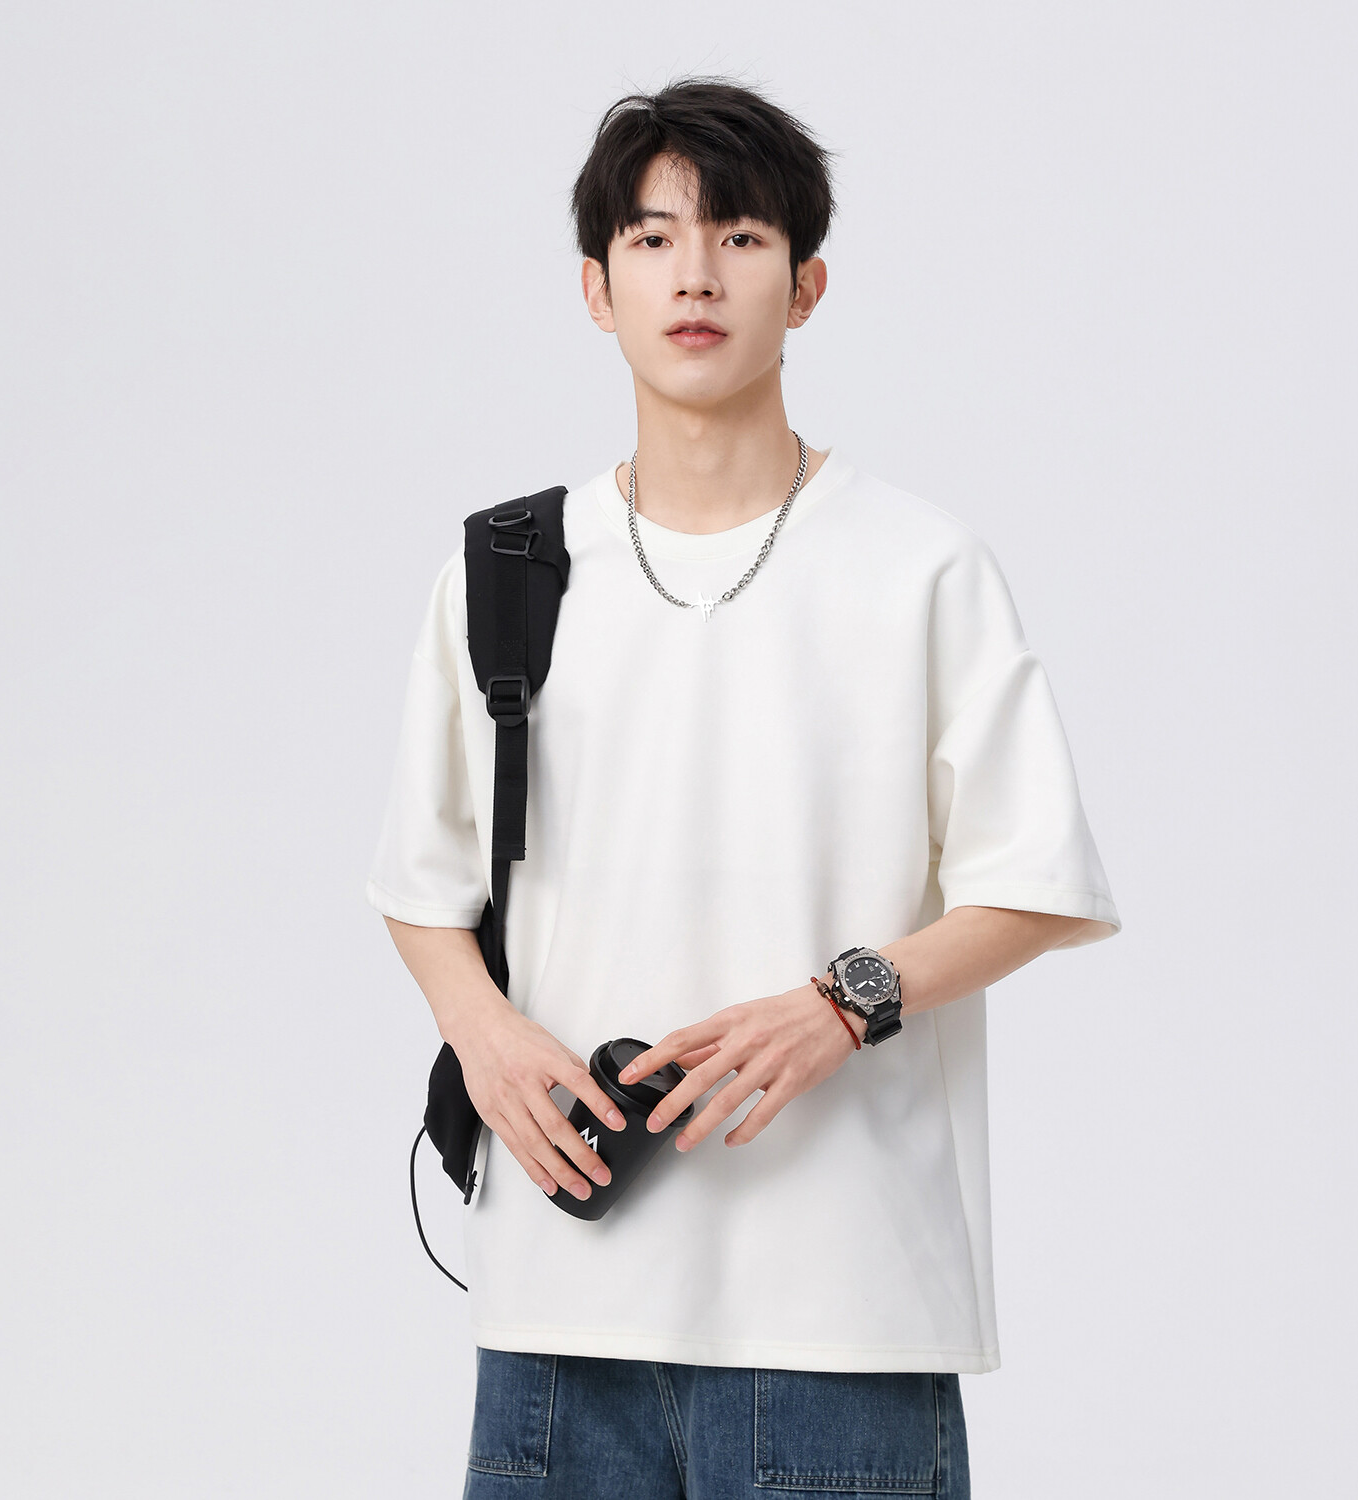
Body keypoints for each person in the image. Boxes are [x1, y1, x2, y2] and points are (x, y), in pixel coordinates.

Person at [367, 74, 1121, 1500]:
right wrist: (483, 1034)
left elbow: (1034, 883)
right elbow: (423, 879)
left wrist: (845, 1001)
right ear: (596, 289)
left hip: (841, 1313)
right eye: (652, 240)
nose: (696, 275)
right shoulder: (507, 568)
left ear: (807, 284)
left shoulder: (919, 566)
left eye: (741, 236)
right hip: (559, 1306)